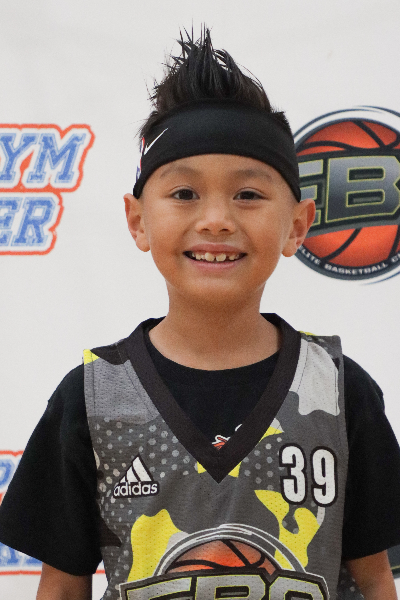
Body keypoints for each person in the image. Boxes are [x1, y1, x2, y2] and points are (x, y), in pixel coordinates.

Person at [0, 29, 400, 600]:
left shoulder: (339, 392)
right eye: (184, 194)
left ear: (298, 225)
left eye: (248, 195)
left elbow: (375, 579)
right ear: (138, 220)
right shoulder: (91, 400)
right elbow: (62, 589)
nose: (216, 219)